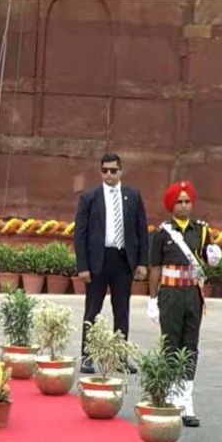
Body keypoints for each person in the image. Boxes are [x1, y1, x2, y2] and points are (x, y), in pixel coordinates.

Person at [147, 180, 221, 428]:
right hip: (170, 295)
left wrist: (214, 257)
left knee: (190, 346)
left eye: (187, 201)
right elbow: (155, 268)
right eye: (179, 202)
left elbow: (208, 259)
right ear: (171, 205)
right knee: (171, 344)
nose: (184, 206)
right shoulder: (161, 233)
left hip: (192, 295)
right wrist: (152, 299)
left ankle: (186, 401)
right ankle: (170, 397)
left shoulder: (200, 231)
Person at [74, 153, 148, 374]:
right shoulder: (90, 197)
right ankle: (87, 356)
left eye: (113, 170)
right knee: (92, 311)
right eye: (105, 170)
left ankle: (120, 357)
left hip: (123, 260)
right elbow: (80, 234)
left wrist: (142, 263)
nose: (108, 174)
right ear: (100, 172)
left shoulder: (133, 196)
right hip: (98, 260)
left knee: (122, 311)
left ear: (121, 171)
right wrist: (83, 266)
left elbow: (141, 232)